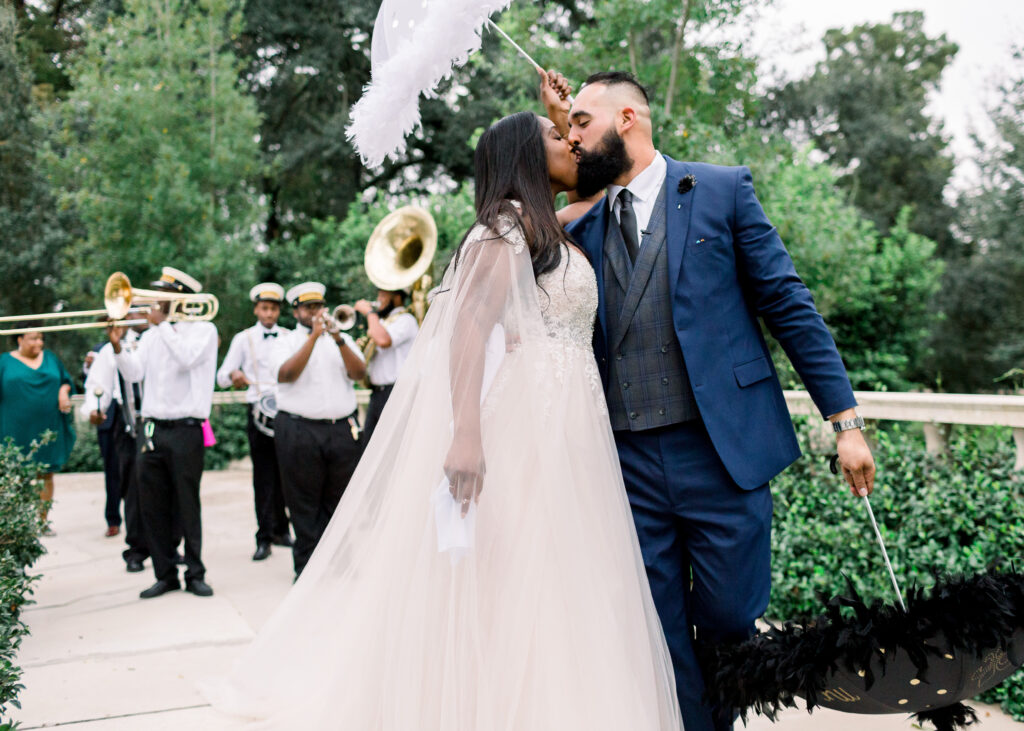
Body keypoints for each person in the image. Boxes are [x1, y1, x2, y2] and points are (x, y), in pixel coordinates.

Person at [203, 112, 682, 730]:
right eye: (556, 136)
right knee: (515, 576)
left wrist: (560, 110)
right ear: (523, 157)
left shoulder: (549, 228)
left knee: (559, 579)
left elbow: (603, 171)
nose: (570, 142)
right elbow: (465, 333)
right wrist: (466, 435)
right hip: (523, 424)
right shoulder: (503, 230)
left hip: (570, 426)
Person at [558, 70, 876, 731]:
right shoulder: (581, 225)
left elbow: (788, 304)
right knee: (658, 627)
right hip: (626, 461)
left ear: (629, 118)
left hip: (721, 451)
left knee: (731, 617)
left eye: (583, 122)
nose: (572, 135)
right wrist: (560, 120)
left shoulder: (722, 190)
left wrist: (844, 420)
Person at [109, 266, 218, 599]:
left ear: (179, 298)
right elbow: (135, 373)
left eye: (161, 296)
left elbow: (186, 359)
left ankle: (195, 572)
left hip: (187, 429)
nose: (153, 302)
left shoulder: (204, 330)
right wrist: (117, 348)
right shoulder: (153, 334)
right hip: (152, 429)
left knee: (187, 504)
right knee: (152, 505)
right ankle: (165, 573)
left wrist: (163, 327)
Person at [272, 282, 366, 579]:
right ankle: (307, 569)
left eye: (318, 306)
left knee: (340, 501)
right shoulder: (285, 341)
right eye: (308, 307)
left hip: (340, 431)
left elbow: (360, 374)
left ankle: (340, 563)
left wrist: (337, 339)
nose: (315, 312)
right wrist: (313, 337)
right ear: (296, 311)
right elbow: (285, 376)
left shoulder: (342, 338)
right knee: (303, 502)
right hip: (299, 430)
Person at [217, 282, 293, 562]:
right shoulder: (243, 339)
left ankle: (282, 530)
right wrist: (234, 375)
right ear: (256, 309)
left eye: (274, 308)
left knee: (287, 473)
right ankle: (264, 537)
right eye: (265, 308)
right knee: (263, 476)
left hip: (285, 411)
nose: (269, 313)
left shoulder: (288, 336)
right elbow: (221, 376)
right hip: (258, 412)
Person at [81, 321, 152, 571]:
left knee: (166, 485)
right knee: (131, 488)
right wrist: (94, 410)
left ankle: (168, 546)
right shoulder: (113, 347)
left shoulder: (165, 338)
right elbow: (96, 385)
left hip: (162, 421)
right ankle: (136, 549)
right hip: (128, 424)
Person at [0, 326, 76, 533]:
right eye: (33, 339)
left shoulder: (50, 358)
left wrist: (63, 391)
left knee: (46, 474)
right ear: (20, 339)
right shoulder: (4, 362)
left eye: (41, 338)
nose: (39, 343)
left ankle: (42, 522)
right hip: (13, 429)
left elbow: (66, 381)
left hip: (47, 427)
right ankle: (17, 524)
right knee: (16, 476)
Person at [354, 287, 419, 442]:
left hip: (396, 392)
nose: (378, 299)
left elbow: (383, 340)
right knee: (369, 447)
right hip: (377, 394)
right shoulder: (382, 322)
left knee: (391, 447)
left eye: (383, 295)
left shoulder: (406, 320)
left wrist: (370, 313)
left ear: (397, 297)